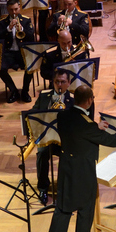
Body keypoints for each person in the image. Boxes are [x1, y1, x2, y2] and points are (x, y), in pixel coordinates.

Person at [45, 84, 116, 232]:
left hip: (66, 169)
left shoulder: (63, 115)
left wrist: (96, 128)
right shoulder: (88, 126)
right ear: (90, 101)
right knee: (85, 209)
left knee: (63, 209)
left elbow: (79, 130)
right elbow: (113, 140)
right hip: (83, 172)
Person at [30, 70, 73, 206]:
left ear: (69, 83)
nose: (59, 85)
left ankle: (64, 189)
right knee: (42, 153)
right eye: (57, 82)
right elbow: (33, 114)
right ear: (52, 82)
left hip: (65, 139)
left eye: (63, 82)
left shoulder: (73, 99)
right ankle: (42, 189)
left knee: (68, 156)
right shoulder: (44, 96)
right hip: (47, 137)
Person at [0, 0, 35, 103]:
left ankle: (25, 91)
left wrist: (22, 29)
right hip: (9, 53)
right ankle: (13, 91)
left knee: (30, 67)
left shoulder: (26, 20)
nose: (14, 12)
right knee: (0, 69)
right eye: (11, 10)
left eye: (16, 9)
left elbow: (31, 36)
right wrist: (9, 28)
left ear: (19, 7)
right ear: (7, 10)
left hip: (22, 52)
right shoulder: (3, 22)